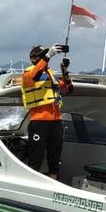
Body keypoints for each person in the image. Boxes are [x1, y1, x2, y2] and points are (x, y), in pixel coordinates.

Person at [22, 44, 73, 179]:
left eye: (46, 54)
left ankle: (53, 183)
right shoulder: (28, 73)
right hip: (39, 121)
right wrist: (48, 56)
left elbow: (68, 89)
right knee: (36, 157)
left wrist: (65, 71)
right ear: (33, 59)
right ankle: (31, 185)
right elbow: (35, 76)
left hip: (56, 121)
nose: (45, 57)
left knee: (55, 158)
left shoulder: (50, 74)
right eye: (42, 55)